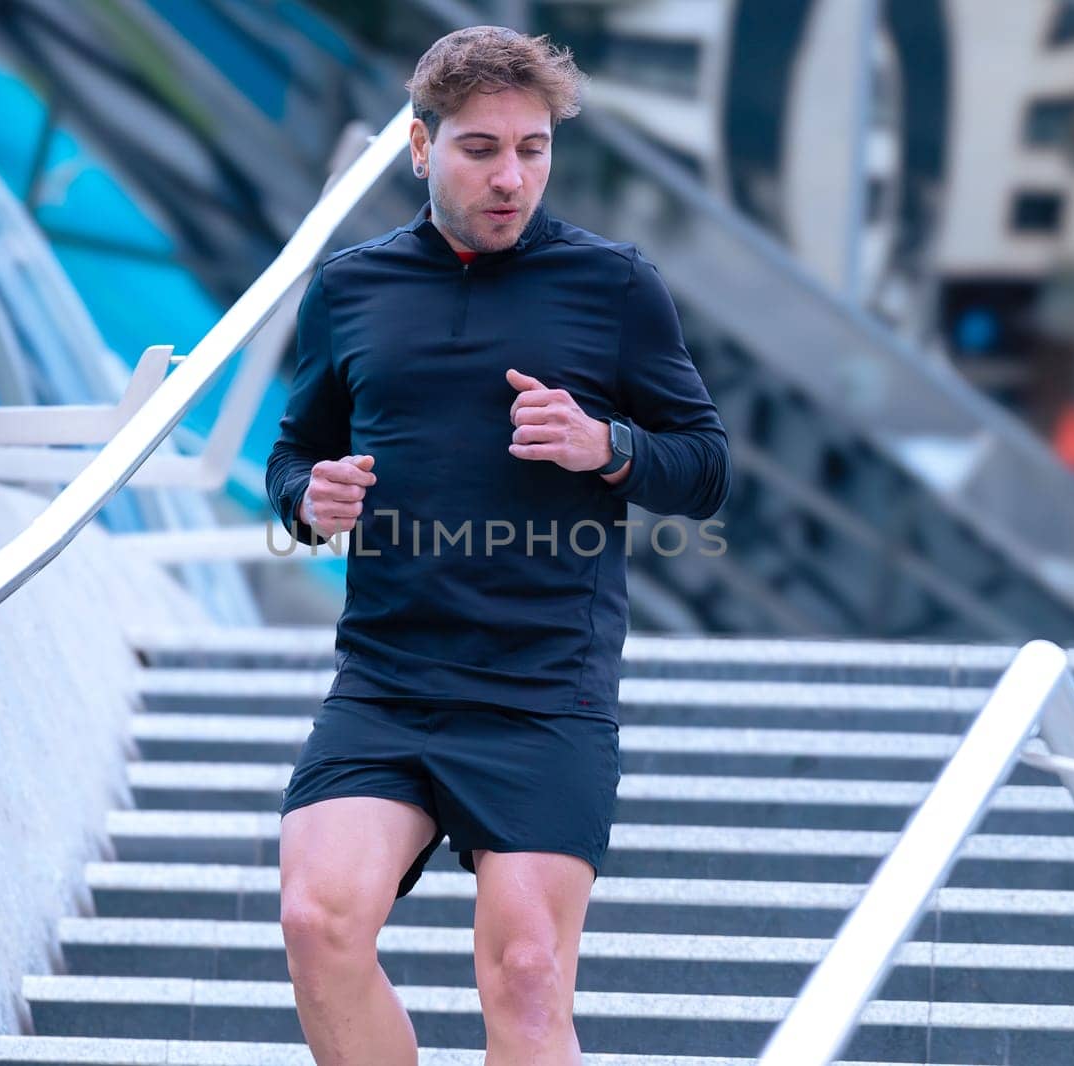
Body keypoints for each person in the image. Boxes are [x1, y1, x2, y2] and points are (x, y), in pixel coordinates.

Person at [265, 25, 731, 1066]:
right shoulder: (350, 288)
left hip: (541, 686)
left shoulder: (613, 287)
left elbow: (703, 465)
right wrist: (311, 496)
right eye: (481, 148)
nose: (511, 175)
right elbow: (293, 455)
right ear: (422, 149)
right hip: (388, 680)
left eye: (532, 148)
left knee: (526, 974)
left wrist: (605, 445)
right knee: (316, 921)